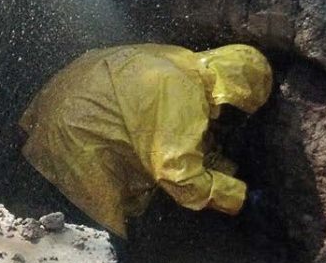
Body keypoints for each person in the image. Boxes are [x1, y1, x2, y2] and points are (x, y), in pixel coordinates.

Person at [18, 43, 274, 238]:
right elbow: (180, 176)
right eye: (239, 110)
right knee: (100, 251)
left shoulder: (178, 61)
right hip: (80, 147)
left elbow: (187, 143)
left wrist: (230, 173)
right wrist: (241, 198)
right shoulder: (185, 93)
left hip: (49, 122)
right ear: (230, 96)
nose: (233, 120)